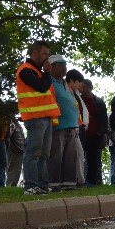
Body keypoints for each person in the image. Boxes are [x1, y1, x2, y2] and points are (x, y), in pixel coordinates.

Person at [15, 40, 61, 195]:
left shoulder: (38, 71)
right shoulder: (25, 70)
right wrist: (47, 72)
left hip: (45, 117)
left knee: (44, 154)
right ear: (35, 53)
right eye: (45, 54)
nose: (47, 58)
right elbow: (41, 87)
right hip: (35, 118)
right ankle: (30, 185)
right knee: (34, 152)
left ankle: (41, 184)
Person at [47, 56, 81, 190]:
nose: (65, 69)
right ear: (53, 67)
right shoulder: (48, 82)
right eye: (61, 65)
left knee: (71, 156)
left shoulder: (64, 84)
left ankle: (69, 183)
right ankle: (54, 184)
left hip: (72, 125)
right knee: (56, 155)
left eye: (65, 65)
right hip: (58, 125)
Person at [80, 79, 108, 185]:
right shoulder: (79, 100)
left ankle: (92, 181)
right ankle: (80, 180)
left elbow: (104, 119)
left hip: (95, 134)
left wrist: (103, 134)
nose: (82, 90)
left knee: (94, 159)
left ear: (90, 88)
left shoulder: (99, 102)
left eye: (84, 87)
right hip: (82, 133)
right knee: (80, 158)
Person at [66, 69, 88, 187]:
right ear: (72, 81)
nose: (80, 85)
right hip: (71, 126)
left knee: (79, 153)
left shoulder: (75, 93)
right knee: (76, 153)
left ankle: (79, 179)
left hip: (77, 126)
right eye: (78, 82)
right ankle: (77, 180)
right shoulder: (67, 92)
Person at [6, 117, 25, 186]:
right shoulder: (11, 123)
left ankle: (12, 186)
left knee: (17, 170)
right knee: (13, 169)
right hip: (14, 148)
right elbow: (8, 136)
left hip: (19, 149)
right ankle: (10, 186)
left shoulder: (16, 123)